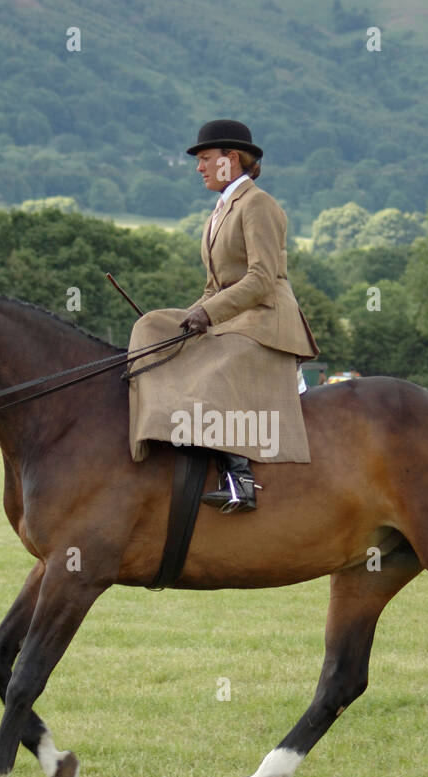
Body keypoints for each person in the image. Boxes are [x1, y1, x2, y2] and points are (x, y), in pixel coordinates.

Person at [126, 120, 320, 513]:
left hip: (264, 320)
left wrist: (208, 314)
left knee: (215, 372)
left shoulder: (258, 204)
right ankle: (157, 434)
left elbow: (262, 279)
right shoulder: (218, 212)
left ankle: (241, 478)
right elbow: (215, 288)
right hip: (232, 316)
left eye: (204, 159)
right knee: (149, 327)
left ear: (231, 159)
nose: (198, 167)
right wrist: (186, 318)